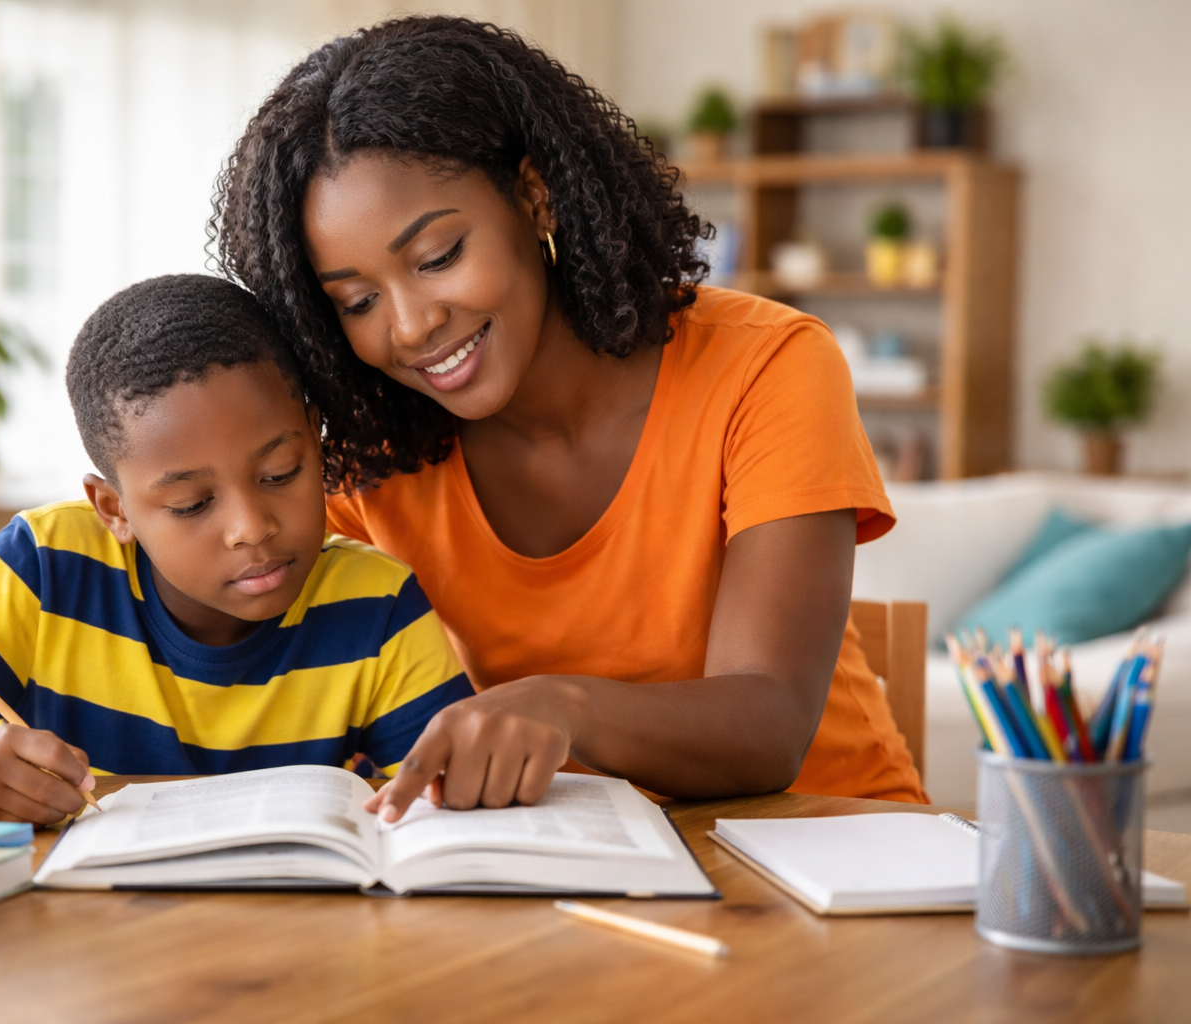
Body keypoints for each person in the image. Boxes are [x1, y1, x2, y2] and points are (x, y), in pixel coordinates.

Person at [212, 16, 928, 822]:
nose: (410, 326)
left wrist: (567, 707)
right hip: (565, 872)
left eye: (439, 257)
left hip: (830, 861)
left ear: (534, 195)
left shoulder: (766, 366)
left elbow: (770, 726)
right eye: (358, 301)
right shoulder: (374, 460)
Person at [0, 274, 474, 824]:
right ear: (114, 509)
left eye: (281, 473)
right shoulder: (46, 570)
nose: (251, 527)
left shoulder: (376, 608)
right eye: (191, 503)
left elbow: (440, 818)